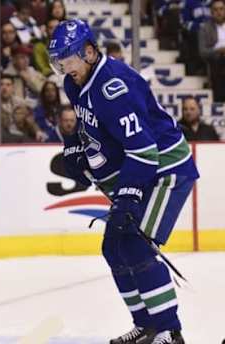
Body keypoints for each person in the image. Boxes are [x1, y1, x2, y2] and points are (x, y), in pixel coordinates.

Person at [48, 19, 199, 344]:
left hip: (165, 170)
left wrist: (127, 196)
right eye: (59, 61)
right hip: (140, 170)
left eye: (68, 58)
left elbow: (144, 150)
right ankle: (146, 324)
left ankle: (169, 331)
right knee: (113, 247)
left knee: (133, 243)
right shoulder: (75, 84)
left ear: (89, 52)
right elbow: (95, 131)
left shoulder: (112, 86)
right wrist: (76, 148)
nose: (63, 67)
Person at [198, 0, 225, 101]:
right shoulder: (205, 28)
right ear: (211, 12)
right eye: (215, 10)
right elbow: (202, 52)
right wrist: (218, 51)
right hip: (217, 61)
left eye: (221, 9)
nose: (219, 12)